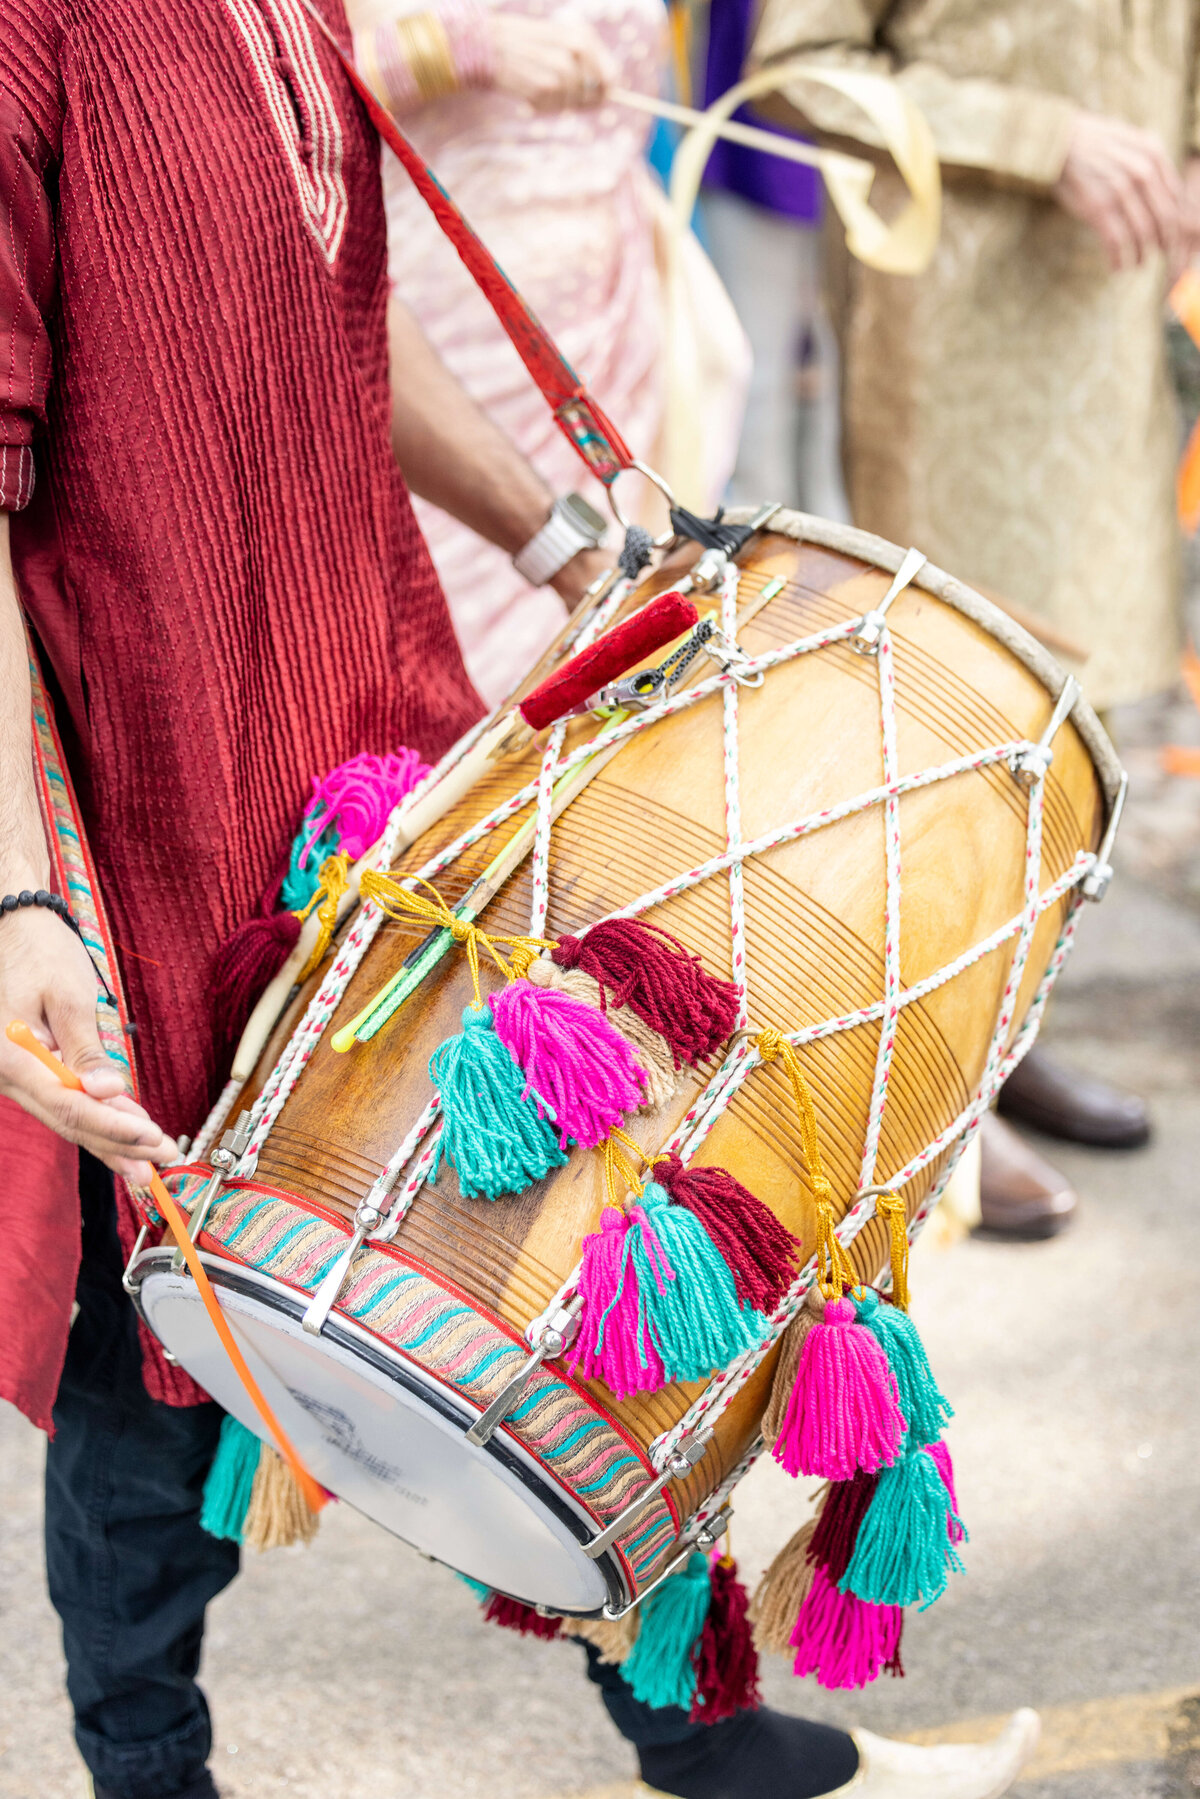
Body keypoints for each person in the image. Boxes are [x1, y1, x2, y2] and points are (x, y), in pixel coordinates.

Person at [0, 5, 1036, 1796]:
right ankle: (145, 1771)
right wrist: (16, 893)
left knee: (544, 1235)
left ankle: (702, 1741)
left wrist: (569, 537)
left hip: (369, 756)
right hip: (133, 800)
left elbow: (334, 306)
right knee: (150, 1370)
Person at [746, 0, 1178, 1231]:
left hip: (1111, 305)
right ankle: (926, 1097)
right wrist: (1041, 137)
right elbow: (801, 68)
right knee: (949, 702)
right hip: (955, 304)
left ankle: (1004, 1039)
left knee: (1071, 704)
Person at [350, 0, 744, 705]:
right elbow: (266, 93)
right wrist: (470, 48)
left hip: (616, 323)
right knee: (473, 660)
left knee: (624, 622)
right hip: (456, 340)